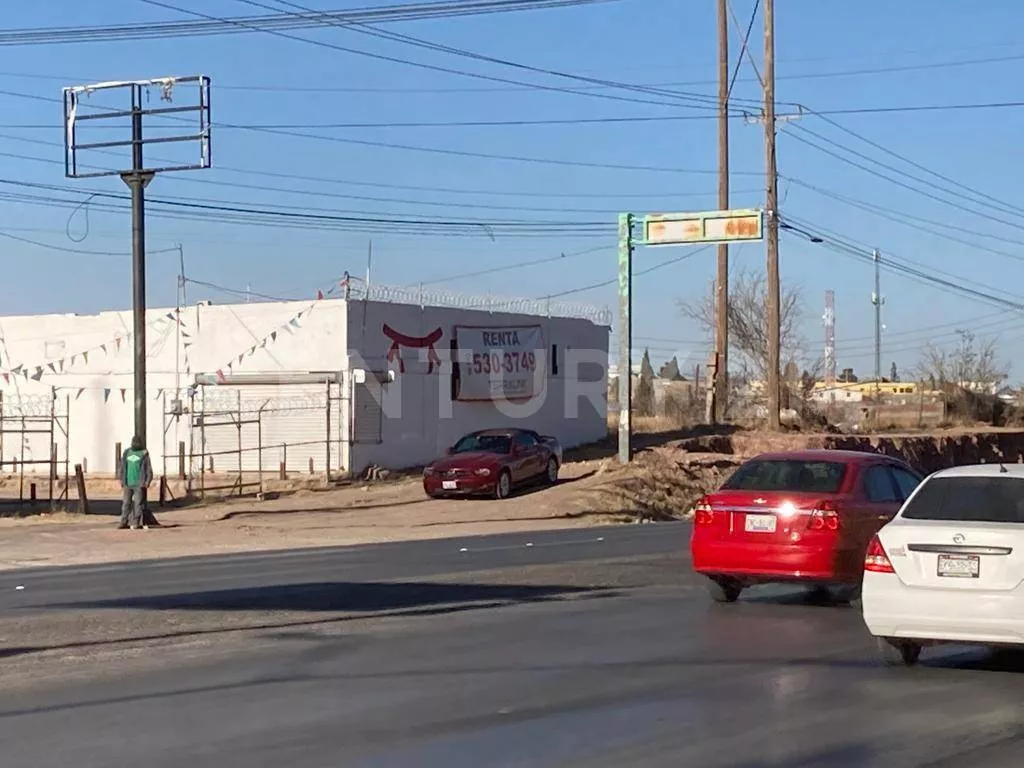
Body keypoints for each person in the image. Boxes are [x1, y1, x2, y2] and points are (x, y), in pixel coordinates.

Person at [117, 435, 153, 530]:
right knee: (126, 503)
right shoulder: (127, 453)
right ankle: (123, 522)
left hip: (139, 484)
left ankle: (136, 522)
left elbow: (148, 469)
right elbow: (122, 467)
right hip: (128, 483)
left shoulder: (143, 454)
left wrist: (147, 481)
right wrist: (121, 479)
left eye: (137, 443)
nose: (135, 444)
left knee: (138, 504)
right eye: (134, 442)